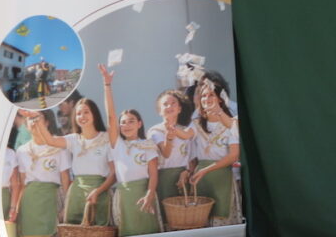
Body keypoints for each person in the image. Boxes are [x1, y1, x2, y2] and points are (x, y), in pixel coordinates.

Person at [30, 96, 116, 227]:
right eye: (78, 113)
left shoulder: (105, 139)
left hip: (101, 192)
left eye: (86, 112)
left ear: (95, 114)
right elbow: (50, 141)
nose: (82, 116)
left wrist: (98, 191)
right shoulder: (74, 139)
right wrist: (38, 120)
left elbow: (114, 175)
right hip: (76, 192)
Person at [99, 65, 162, 236]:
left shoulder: (147, 145)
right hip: (124, 196)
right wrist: (107, 85)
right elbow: (111, 116)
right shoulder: (117, 144)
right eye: (123, 122)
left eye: (131, 121)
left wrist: (150, 194)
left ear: (140, 123)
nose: (126, 125)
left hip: (145, 194)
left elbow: (153, 174)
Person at [187, 76, 242, 226]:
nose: (206, 98)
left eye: (211, 94)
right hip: (201, 180)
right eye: (203, 95)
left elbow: (234, 155)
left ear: (221, 98)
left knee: (222, 222)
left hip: (222, 178)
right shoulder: (196, 122)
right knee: (200, 221)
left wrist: (206, 170)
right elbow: (186, 139)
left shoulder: (233, 122)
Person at [13, 110, 71, 237]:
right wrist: (16, 208)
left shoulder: (59, 146)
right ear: (26, 124)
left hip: (51, 199)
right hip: (30, 202)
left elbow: (65, 178)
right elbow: (22, 183)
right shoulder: (22, 151)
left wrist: (66, 207)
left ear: (47, 122)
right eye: (30, 119)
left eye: (37, 118)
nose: (33, 122)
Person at [146, 88, 195, 218]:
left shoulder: (186, 130)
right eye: (165, 104)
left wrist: (187, 172)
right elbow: (166, 153)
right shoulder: (155, 131)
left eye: (173, 103)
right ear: (159, 111)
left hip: (184, 178)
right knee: (168, 217)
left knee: (186, 216)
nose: (169, 106)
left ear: (179, 108)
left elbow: (191, 157)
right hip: (164, 178)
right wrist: (169, 137)